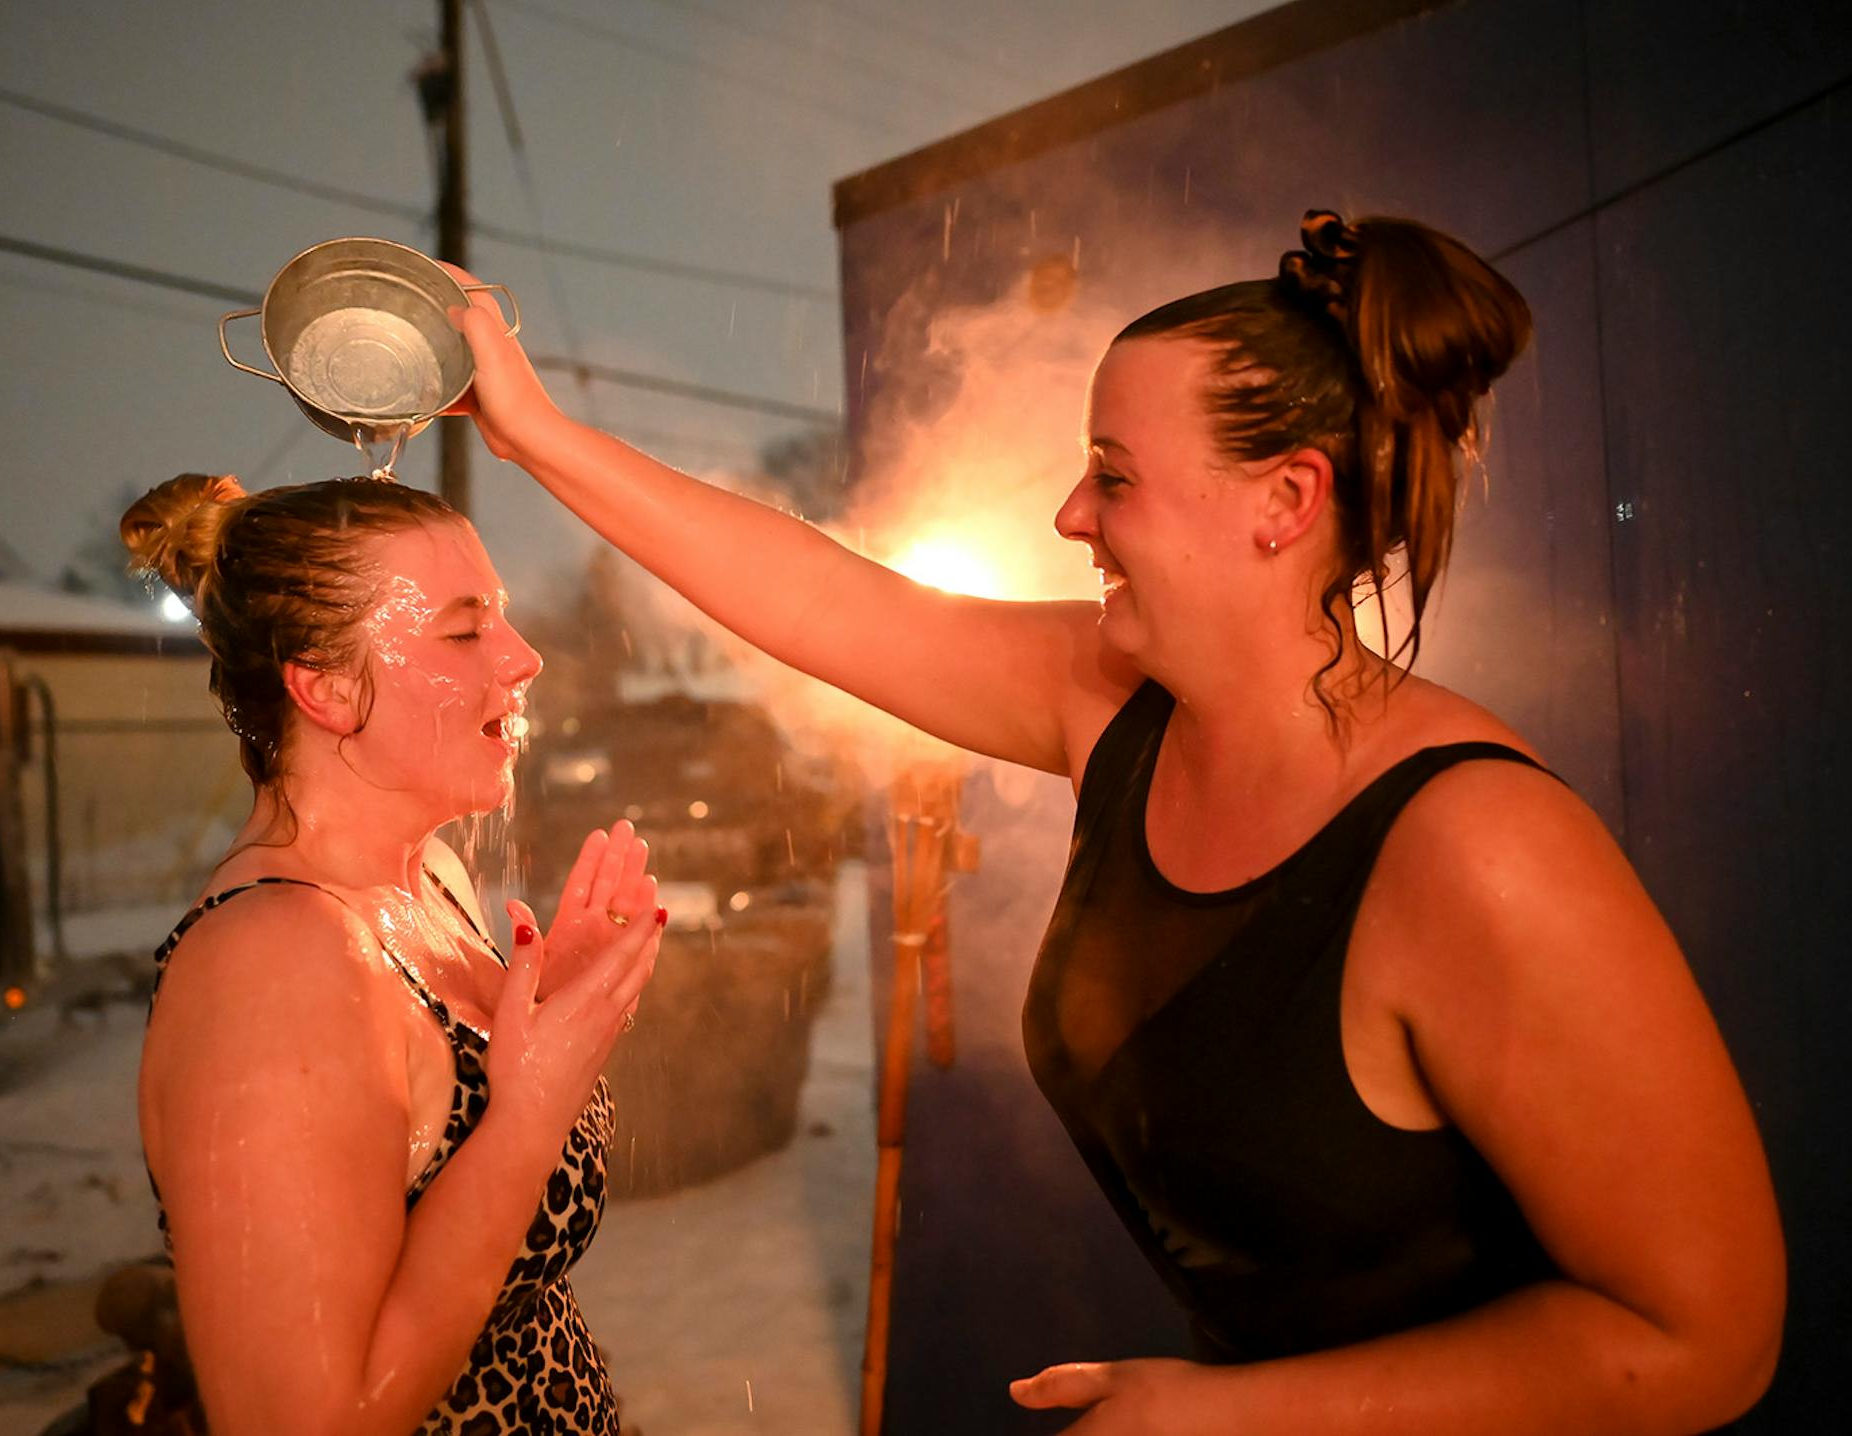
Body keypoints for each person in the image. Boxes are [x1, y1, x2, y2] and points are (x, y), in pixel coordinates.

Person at [437, 211, 1785, 1434]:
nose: (1073, 514)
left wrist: (1233, 1417)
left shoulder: (1479, 847)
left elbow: (1702, 1340)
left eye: (1116, 477)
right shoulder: (1118, 708)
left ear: (1287, 502)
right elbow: (836, 606)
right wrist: (535, 434)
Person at [121, 472, 665, 1436]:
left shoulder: (431, 882)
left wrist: (554, 1012)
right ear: (325, 687)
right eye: (465, 631)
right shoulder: (272, 962)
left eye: (502, 618)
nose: (525, 657)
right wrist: (530, 1114)